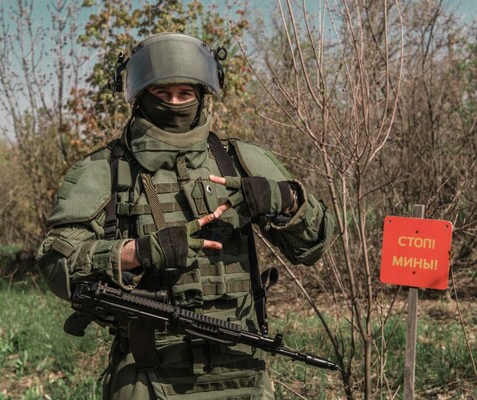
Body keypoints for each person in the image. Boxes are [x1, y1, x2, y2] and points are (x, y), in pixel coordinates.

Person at [37, 32, 334, 400]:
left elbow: (313, 247)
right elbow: (56, 262)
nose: (174, 103)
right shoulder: (103, 171)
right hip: (147, 370)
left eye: (184, 93)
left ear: (202, 95)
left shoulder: (239, 159)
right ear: (140, 95)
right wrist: (137, 252)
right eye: (162, 93)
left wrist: (288, 201)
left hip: (242, 365)